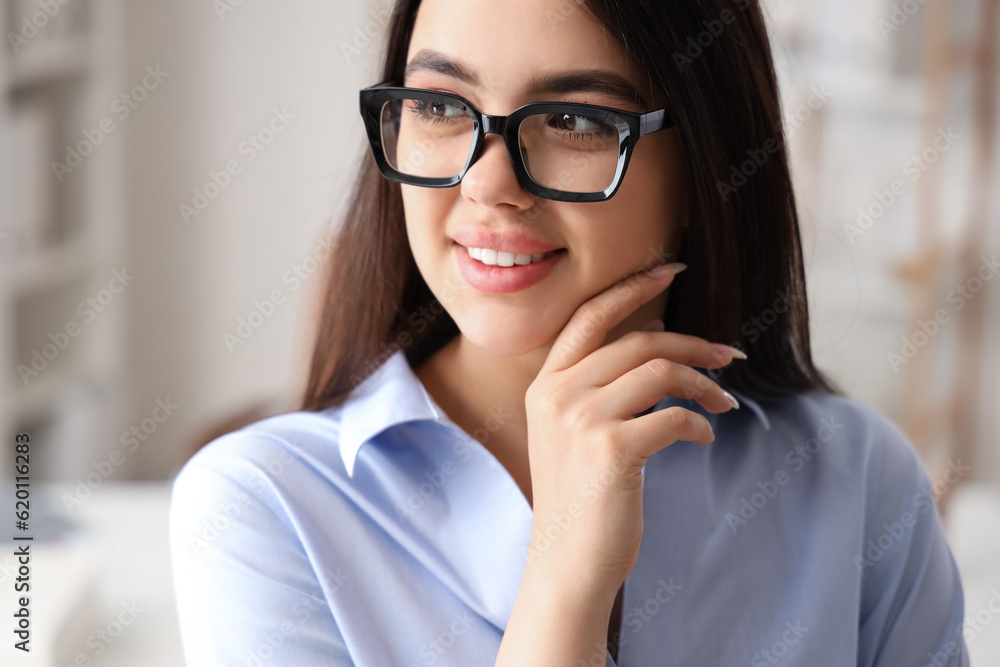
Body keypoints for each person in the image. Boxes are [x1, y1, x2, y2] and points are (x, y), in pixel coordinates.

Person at [168, 0, 972, 664]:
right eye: (442, 106)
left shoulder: (854, 479)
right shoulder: (260, 507)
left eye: (574, 120)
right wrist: (563, 581)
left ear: (705, 165)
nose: (488, 183)